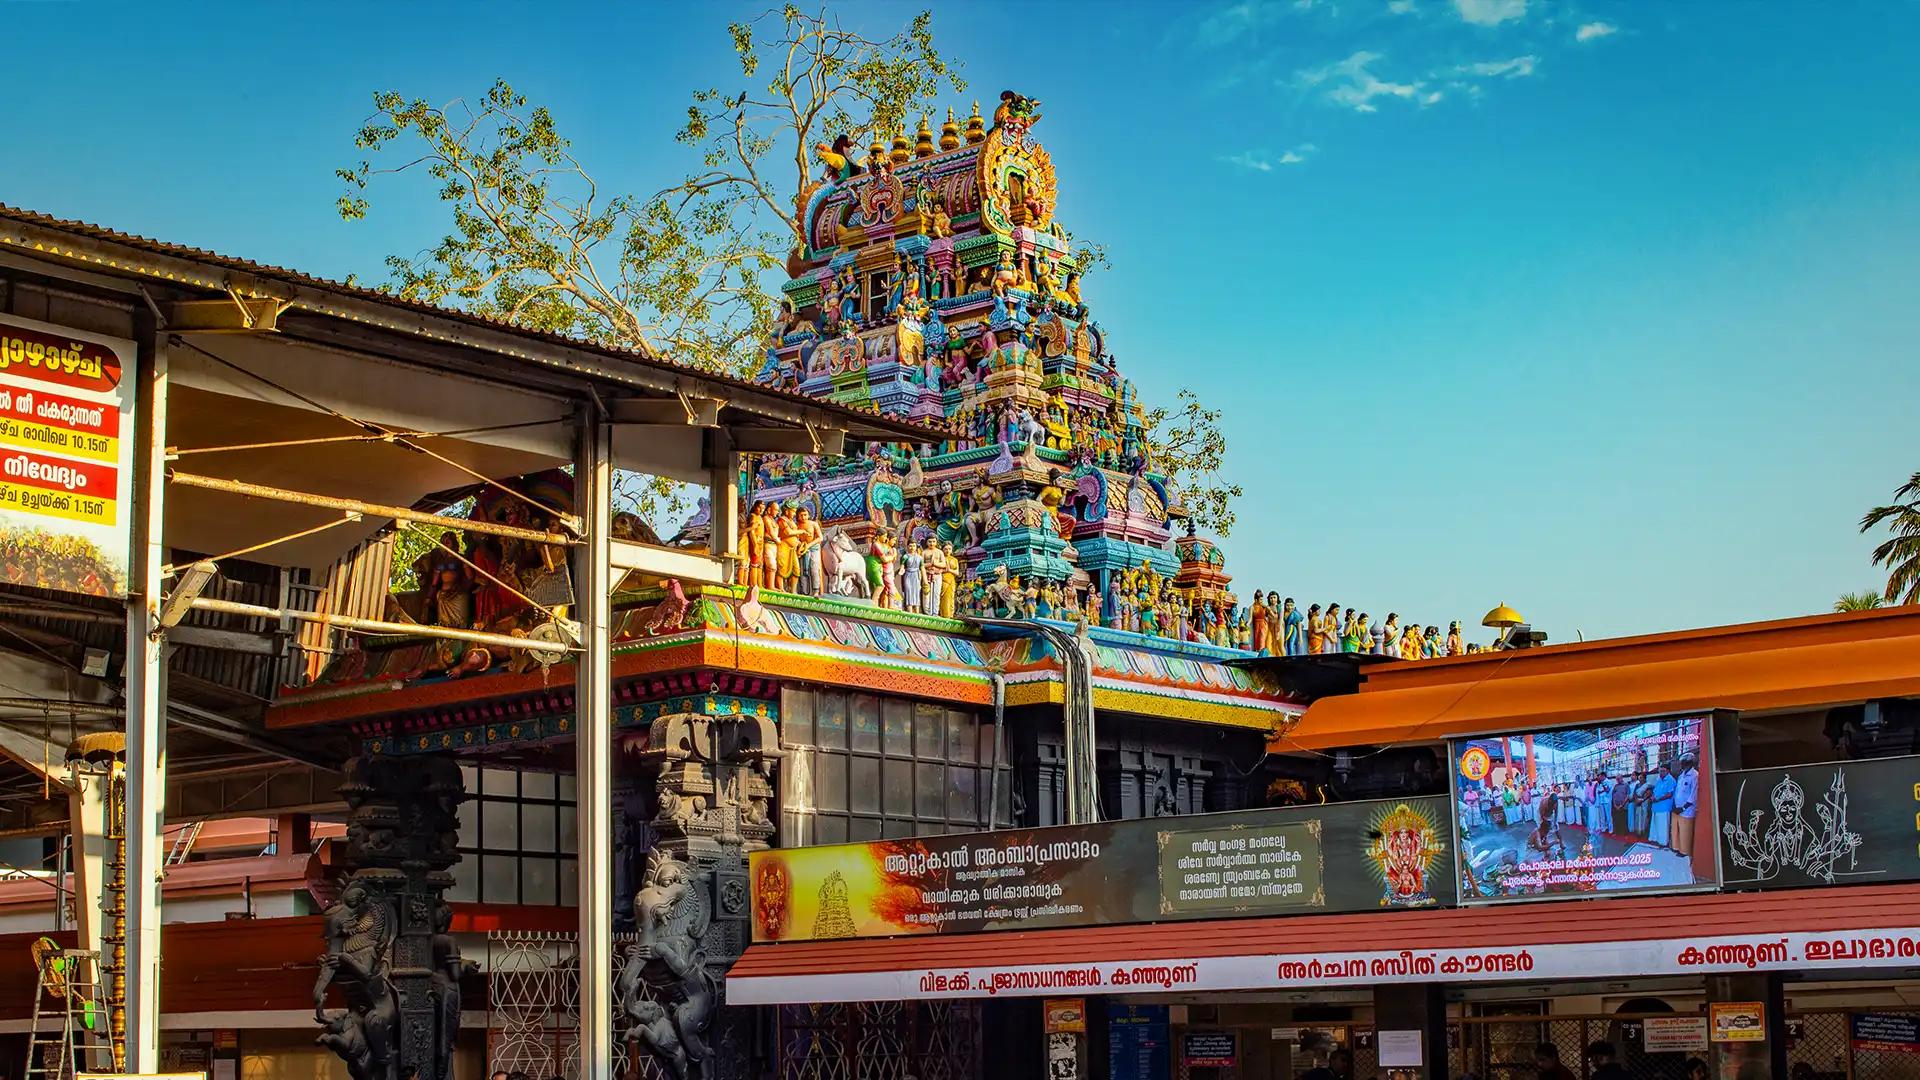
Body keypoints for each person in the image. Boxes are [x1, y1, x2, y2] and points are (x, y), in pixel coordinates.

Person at [1673, 755, 1700, 858]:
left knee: (1685, 832)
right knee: (1677, 830)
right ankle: (1677, 847)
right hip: (1677, 808)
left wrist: (1683, 808)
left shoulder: (1695, 776)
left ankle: (1684, 851)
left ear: (1689, 763)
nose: (1681, 764)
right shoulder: (1681, 776)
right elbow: (1678, 792)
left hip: (1687, 810)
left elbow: (1693, 795)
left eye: (1683, 762)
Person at [1649, 761, 1678, 847]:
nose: (1661, 772)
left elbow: (1669, 794)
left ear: (1668, 771)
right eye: (1660, 771)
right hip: (1655, 806)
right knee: (1655, 825)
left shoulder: (1670, 780)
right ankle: (1655, 839)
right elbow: (1654, 791)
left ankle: (1663, 843)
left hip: (1664, 807)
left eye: (1663, 771)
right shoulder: (1658, 779)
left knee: (1663, 826)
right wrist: (1653, 797)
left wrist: (1658, 799)